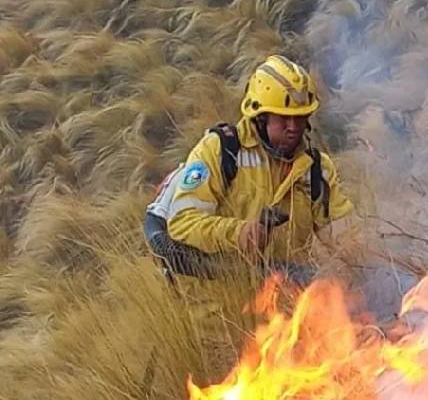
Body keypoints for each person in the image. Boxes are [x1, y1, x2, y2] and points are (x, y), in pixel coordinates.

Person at [144, 54, 353, 281]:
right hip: (215, 308)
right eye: (283, 118)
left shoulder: (316, 169)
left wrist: (365, 255)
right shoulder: (221, 150)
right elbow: (182, 224)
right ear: (261, 117)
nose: (293, 127)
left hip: (285, 307)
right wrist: (242, 234)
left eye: (300, 118)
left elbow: (342, 235)